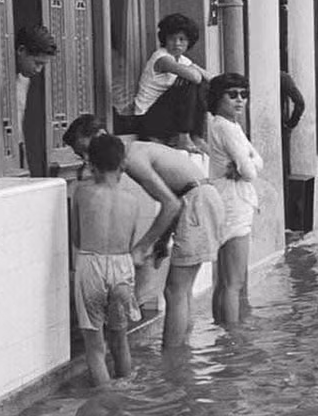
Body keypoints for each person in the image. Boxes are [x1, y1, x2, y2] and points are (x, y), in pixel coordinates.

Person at [64, 114, 223, 349]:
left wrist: (141, 248)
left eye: (86, 150)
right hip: (201, 200)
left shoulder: (131, 157)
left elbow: (172, 204)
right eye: (81, 156)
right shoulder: (132, 153)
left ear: (99, 136)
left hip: (198, 203)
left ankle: (172, 360)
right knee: (182, 290)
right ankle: (181, 357)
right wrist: (162, 240)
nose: (87, 160)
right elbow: (175, 196)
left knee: (174, 291)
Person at [71, 134, 139, 386]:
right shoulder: (132, 201)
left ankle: (106, 402)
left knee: (95, 346)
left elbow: (77, 239)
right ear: (122, 164)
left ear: (91, 165)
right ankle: (126, 394)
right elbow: (130, 241)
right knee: (120, 340)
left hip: (91, 265)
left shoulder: (82, 193)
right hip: (122, 265)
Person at [206, 74, 263, 325]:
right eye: (232, 94)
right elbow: (250, 171)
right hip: (233, 202)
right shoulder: (226, 128)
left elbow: (257, 161)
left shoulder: (230, 126)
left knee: (225, 279)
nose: (239, 100)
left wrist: (246, 164)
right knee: (233, 281)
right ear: (218, 98)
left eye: (243, 94)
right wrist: (246, 165)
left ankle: (223, 331)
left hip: (228, 198)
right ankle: (232, 339)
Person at [132, 13, 213, 152]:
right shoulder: (162, 58)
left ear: (189, 42)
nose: (177, 43)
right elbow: (195, 78)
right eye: (172, 39)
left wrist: (195, 68)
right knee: (188, 83)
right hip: (146, 120)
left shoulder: (181, 59)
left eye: (182, 39)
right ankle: (184, 137)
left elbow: (211, 79)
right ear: (165, 39)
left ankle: (197, 137)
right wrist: (194, 70)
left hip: (165, 118)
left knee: (201, 86)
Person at [14, 26, 57, 170]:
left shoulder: (25, 80)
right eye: (37, 63)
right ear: (21, 51)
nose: (38, 70)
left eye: (43, 65)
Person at [280, 69, 305, 177]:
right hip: (280, 127)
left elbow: (300, 103)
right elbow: (300, 102)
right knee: (283, 167)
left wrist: (290, 124)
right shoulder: (282, 77)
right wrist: (291, 124)